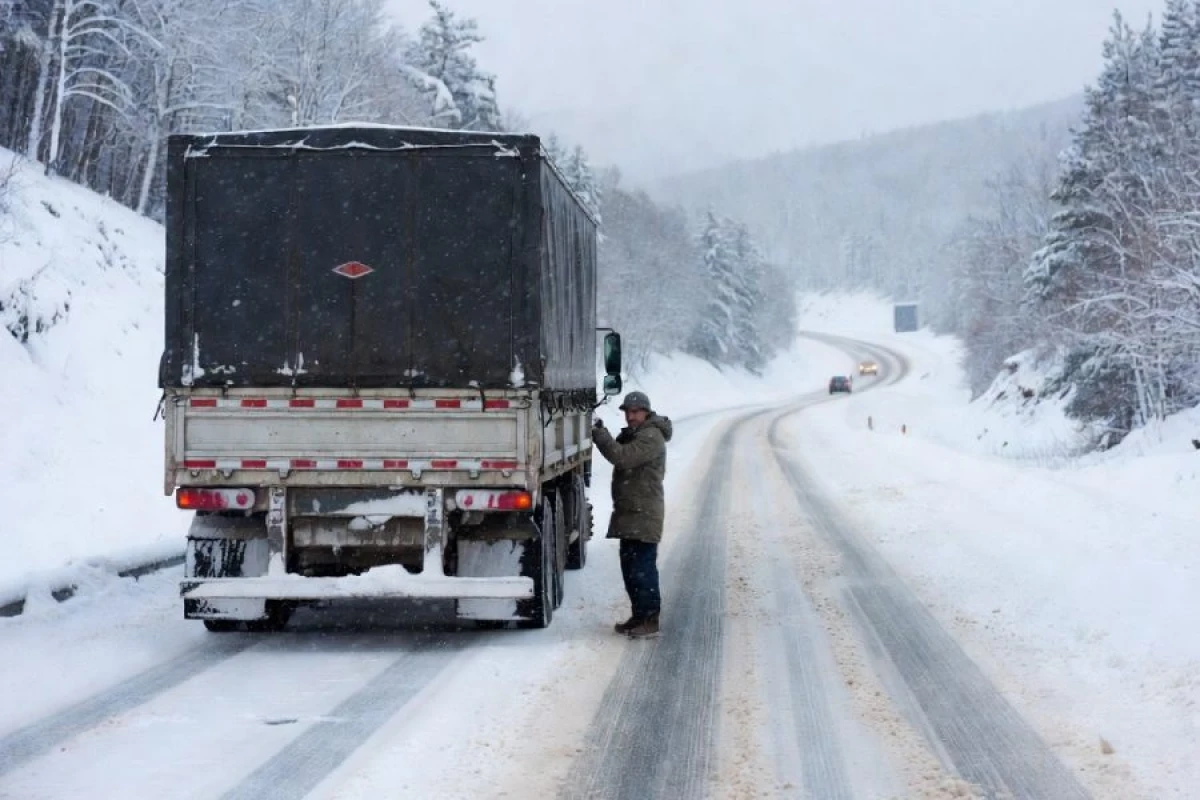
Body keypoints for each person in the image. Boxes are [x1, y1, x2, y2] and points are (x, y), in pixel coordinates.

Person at [592, 390, 673, 638]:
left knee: (643, 568)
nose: (630, 416)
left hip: (644, 514)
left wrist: (597, 431)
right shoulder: (636, 434)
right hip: (630, 513)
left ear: (646, 412)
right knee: (630, 569)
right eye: (627, 412)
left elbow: (622, 457)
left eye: (635, 411)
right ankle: (639, 616)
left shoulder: (651, 436)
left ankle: (650, 619)